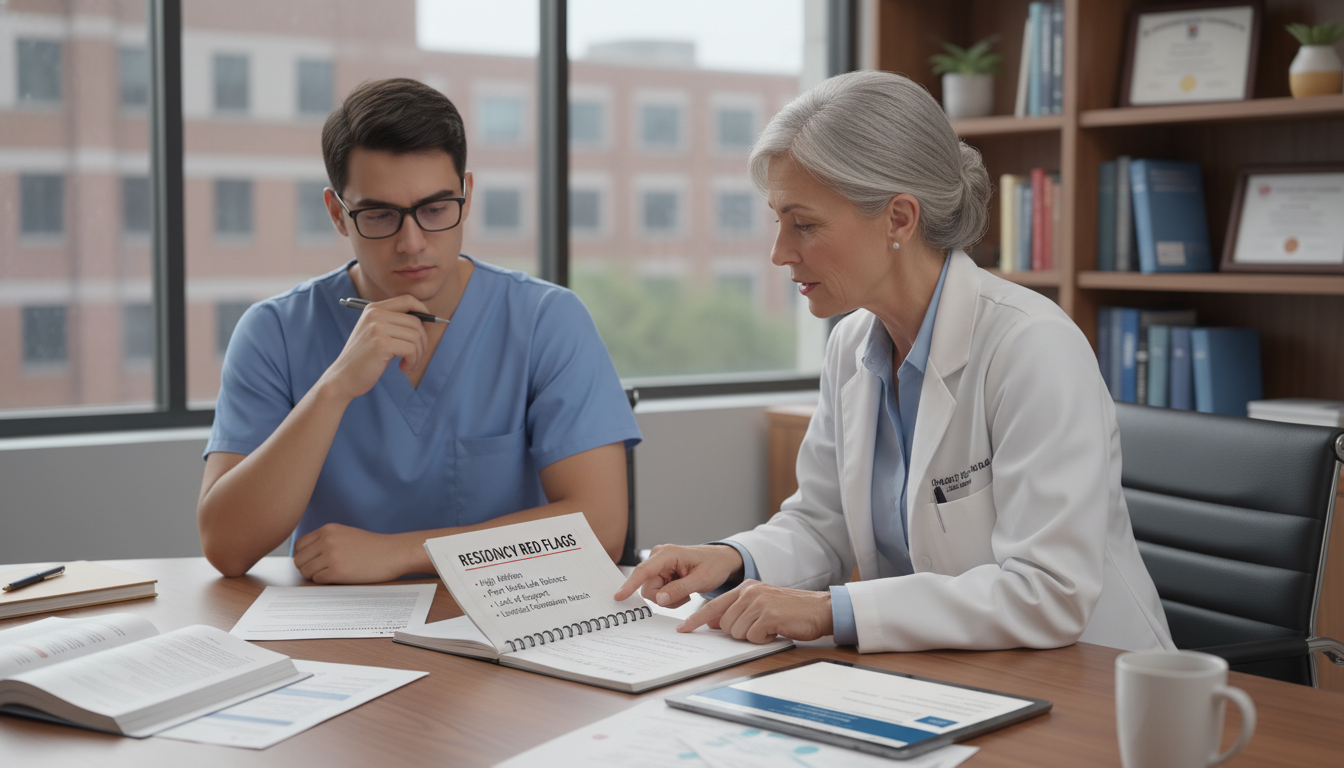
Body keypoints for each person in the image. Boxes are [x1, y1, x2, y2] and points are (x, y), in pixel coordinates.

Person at [616, 71, 1174, 654]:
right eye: (778, 221)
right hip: (950, 677)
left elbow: (1047, 593)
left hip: (1089, 683)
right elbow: (819, 524)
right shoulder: (852, 344)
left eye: (804, 223)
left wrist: (829, 611)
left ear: (899, 219)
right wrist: (732, 557)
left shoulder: (1033, 347)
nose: (780, 253)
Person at [198, 78, 640, 584]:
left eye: (434, 210)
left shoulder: (546, 319)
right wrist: (335, 386)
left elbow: (600, 528)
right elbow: (226, 548)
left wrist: (404, 552)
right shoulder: (273, 332)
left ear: (467, 196)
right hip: (337, 643)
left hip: (510, 625)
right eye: (380, 215)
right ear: (338, 214)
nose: (412, 243)